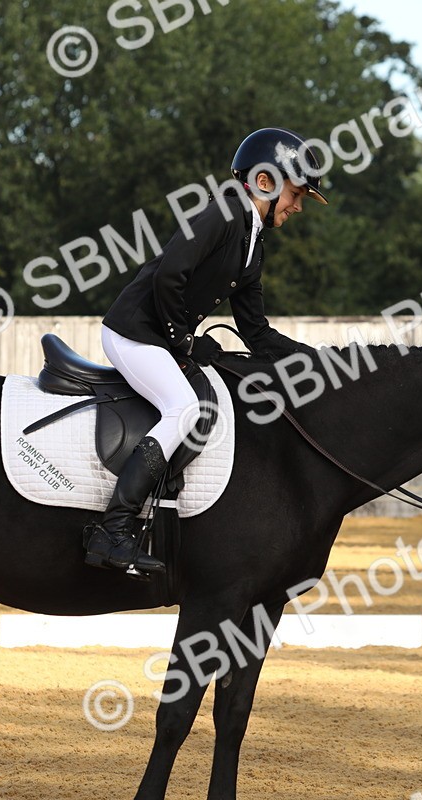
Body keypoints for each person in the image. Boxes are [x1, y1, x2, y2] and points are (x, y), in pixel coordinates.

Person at [84, 127, 328, 574]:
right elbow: (168, 276)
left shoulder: (252, 242)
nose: (296, 207)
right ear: (265, 182)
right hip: (134, 332)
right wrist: (184, 340)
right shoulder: (224, 213)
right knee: (183, 409)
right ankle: (111, 531)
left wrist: (315, 362)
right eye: (295, 194)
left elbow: (256, 332)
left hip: (160, 336)